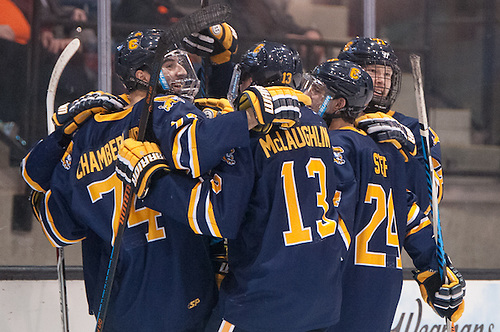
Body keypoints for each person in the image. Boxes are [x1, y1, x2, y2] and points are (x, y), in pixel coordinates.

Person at [20, 27, 259, 331]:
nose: (182, 71)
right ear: (143, 75)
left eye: (182, 63)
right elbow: (200, 145)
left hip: (119, 305)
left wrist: (62, 139)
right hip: (180, 293)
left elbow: (59, 228)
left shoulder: (88, 135)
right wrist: (246, 117)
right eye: (170, 64)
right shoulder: (165, 109)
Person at [123, 40, 351, 331]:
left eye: (242, 77)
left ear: (252, 81)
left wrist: (153, 181)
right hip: (322, 300)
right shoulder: (319, 127)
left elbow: (219, 218)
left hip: (261, 299)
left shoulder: (250, 130)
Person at [301, 58, 465, 331]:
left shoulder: (333, 145)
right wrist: (436, 269)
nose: (308, 96)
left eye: (317, 90)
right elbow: (411, 211)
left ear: (340, 102)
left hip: (337, 287)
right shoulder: (387, 151)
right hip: (381, 293)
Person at [337, 36, 443, 218]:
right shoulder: (326, 122)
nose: (382, 81)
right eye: (373, 71)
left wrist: (405, 153)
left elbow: (429, 201)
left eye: (387, 74)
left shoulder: (416, 132)